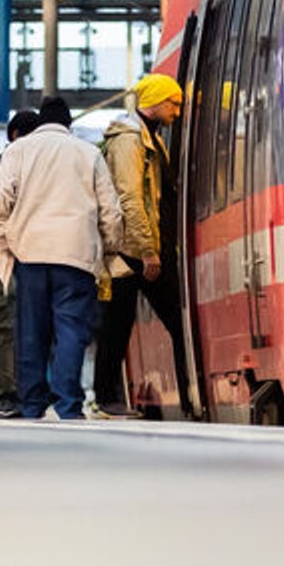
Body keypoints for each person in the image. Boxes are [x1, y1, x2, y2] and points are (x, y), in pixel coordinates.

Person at [0, 96, 125, 420]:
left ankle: (33, 405)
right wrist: (109, 248)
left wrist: (8, 243)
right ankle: (68, 405)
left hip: (30, 255)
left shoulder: (18, 151)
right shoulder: (88, 153)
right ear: (68, 124)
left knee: (31, 333)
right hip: (76, 255)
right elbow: (111, 211)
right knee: (71, 331)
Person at [94, 73, 189, 419]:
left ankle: (188, 390)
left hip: (144, 248)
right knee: (117, 324)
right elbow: (131, 197)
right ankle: (106, 397)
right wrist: (148, 249)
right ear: (157, 102)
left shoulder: (150, 138)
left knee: (140, 321)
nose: (177, 111)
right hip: (130, 251)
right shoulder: (129, 140)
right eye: (173, 103)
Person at [0, 110, 40, 414]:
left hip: (12, 260)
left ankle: (13, 394)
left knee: (8, 331)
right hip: (14, 259)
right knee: (7, 329)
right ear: (15, 136)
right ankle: (12, 392)